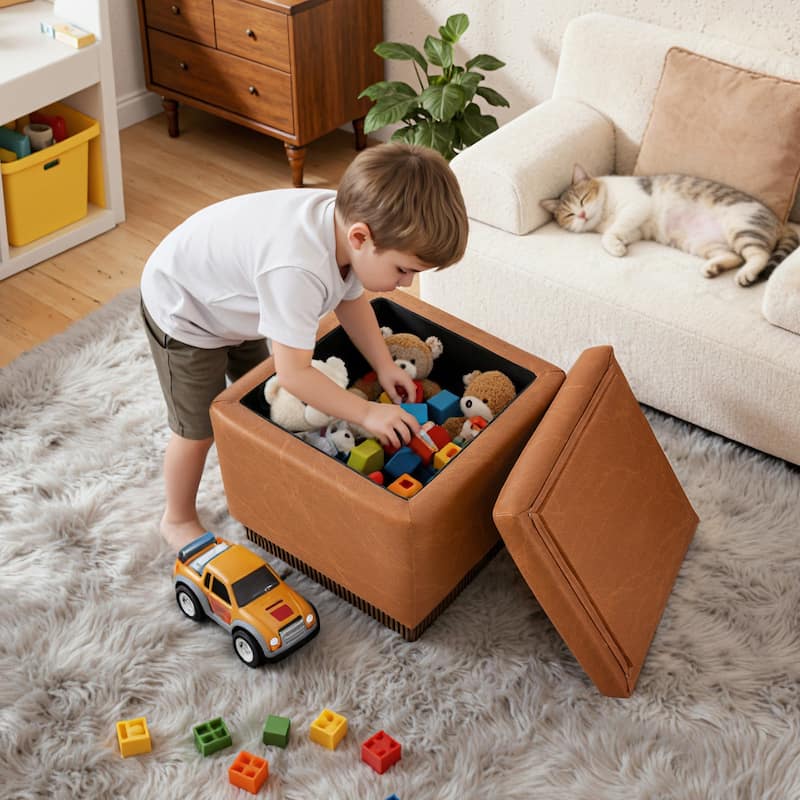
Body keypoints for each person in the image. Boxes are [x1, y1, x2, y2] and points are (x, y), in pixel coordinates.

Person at [140, 142, 469, 550]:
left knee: (258, 402)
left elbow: (349, 298)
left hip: (235, 302)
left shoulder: (347, 230)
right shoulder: (298, 270)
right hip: (185, 311)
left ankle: (256, 470)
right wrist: (366, 412)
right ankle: (177, 518)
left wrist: (384, 365)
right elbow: (294, 374)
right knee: (197, 429)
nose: (406, 283)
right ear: (360, 237)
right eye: (403, 270)